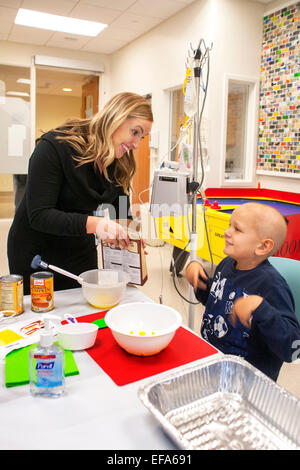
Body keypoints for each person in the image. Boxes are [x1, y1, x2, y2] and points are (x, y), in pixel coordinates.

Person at [7, 92, 153, 295]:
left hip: (78, 245)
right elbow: (39, 216)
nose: (137, 144)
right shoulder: (55, 147)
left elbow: (120, 206)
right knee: (42, 314)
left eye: (142, 136)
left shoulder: (117, 159)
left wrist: (129, 237)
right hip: (37, 250)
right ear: (115, 118)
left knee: (81, 308)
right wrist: (98, 225)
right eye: (135, 132)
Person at [186, 202, 300, 381]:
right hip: (214, 365)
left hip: (248, 382)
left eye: (237, 229)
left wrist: (260, 309)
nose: (227, 232)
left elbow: (293, 349)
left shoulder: (272, 285)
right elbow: (217, 303)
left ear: (263, 246)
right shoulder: (225, 265)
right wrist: (200, 283)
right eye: (229, 225)